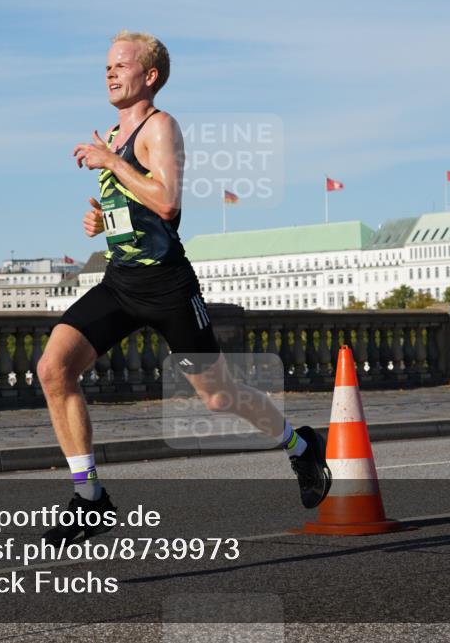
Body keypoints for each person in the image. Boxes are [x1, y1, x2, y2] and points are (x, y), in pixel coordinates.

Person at [38, 31, 331, 545]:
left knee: (218, 397)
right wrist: (102, 218)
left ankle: (301, 446)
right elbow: (136, 208)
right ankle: (90, 497)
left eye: (121, 65)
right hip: (121, 282)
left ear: (150, 75)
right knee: (53, 369)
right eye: (106, 66)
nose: (110, 72)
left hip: (168, 287)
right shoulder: (114, 134)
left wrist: (112, 163)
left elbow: (168, 202)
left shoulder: (160, 127)